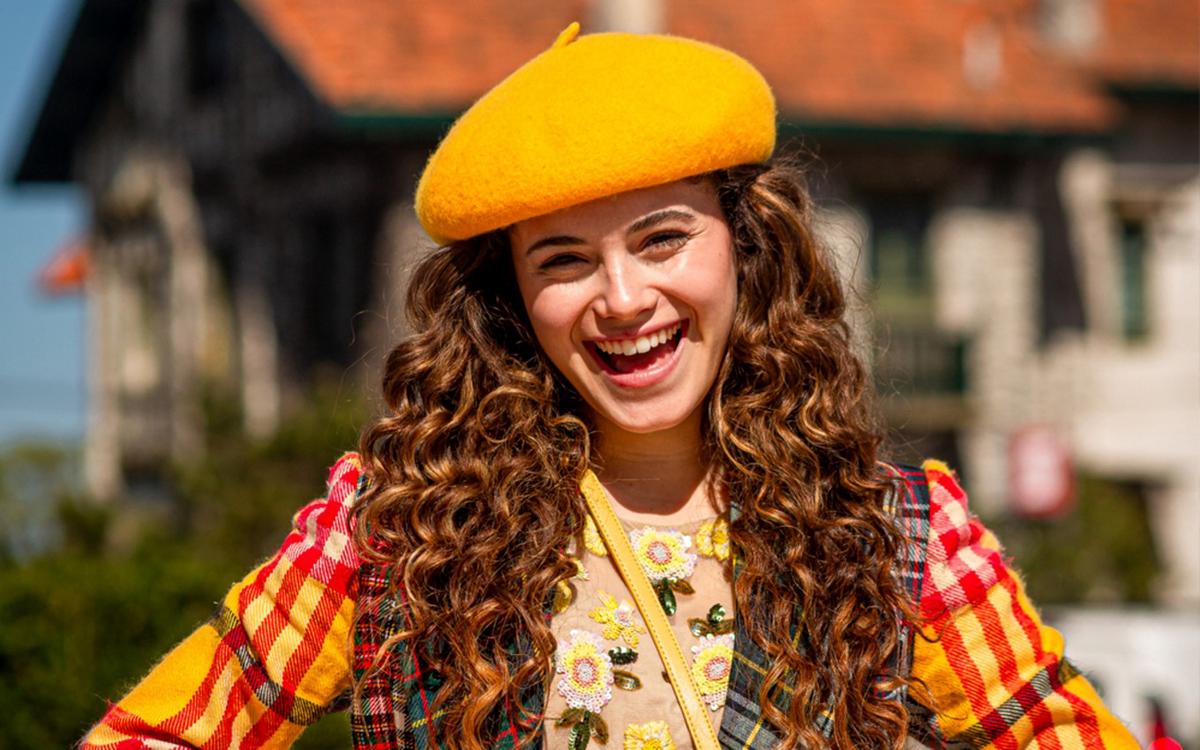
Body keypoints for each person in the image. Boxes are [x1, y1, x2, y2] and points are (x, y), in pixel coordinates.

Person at [82, 23, 1138, 750]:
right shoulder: (393, 532)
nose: (623, 298)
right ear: (512, 301)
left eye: (662, 238)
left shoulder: (905, 536)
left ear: (746, 249)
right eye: (564, 261)